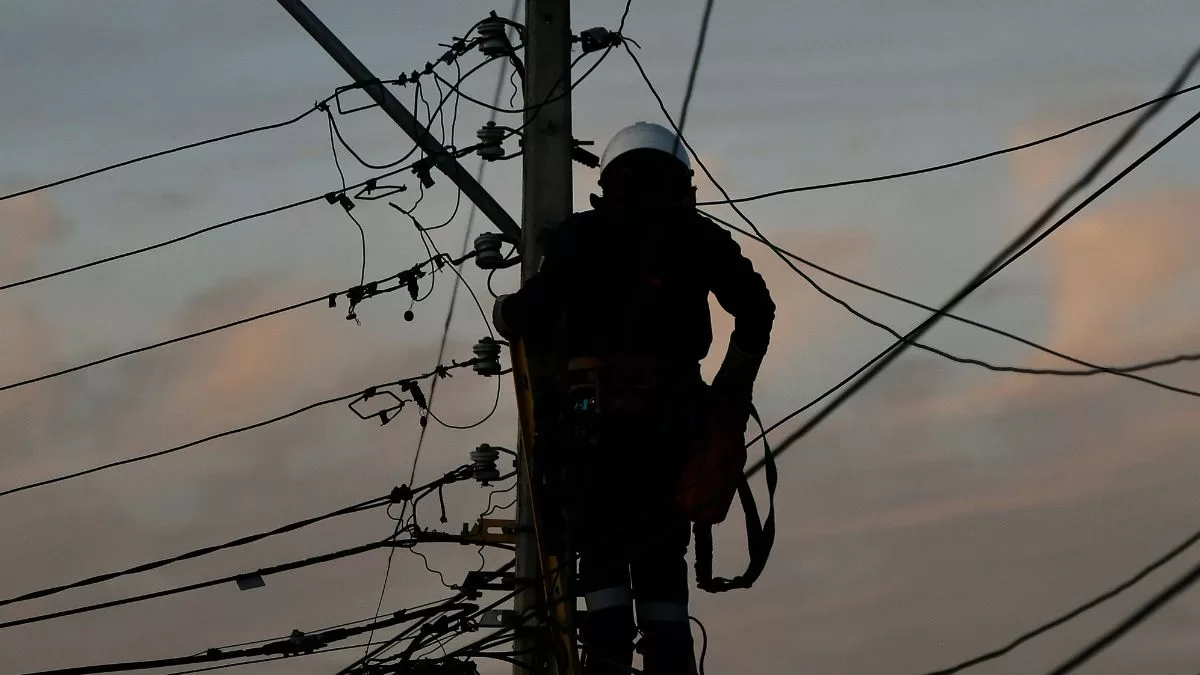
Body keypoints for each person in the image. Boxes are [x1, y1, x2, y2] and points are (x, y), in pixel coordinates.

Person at [492, 122, 775, 675]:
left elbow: (531, 312)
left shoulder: (580, 236)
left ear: (608, 182)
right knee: (661, 561)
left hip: (589, 432)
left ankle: (609, 657)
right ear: (683, 184)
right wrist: (730, 389)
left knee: (602, 557)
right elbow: (756, 310)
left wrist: (505, 312)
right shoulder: (699, 236)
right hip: (674, 430)